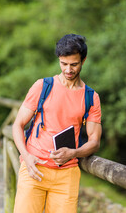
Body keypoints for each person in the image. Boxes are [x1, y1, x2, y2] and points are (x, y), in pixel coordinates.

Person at [12, 33, 102, 213]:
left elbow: (94, 142)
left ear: (83, 61)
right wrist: (26, 157)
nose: (68, 69)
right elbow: (17, 125)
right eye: (64, 64)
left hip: (67, 176)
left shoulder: (91, 97)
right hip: (34, 169)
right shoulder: (42, 86)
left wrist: (74, 152)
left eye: (74, 64)